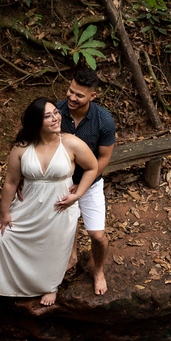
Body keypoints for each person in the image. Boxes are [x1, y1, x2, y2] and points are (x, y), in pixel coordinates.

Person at [0, 98, 99, 306]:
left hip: (60, 207)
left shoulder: (70, 143)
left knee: (52, 247)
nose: (55, 118)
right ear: (36, 122)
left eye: (56, 113)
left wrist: (78, 195)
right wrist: (4, 213)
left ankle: (49, 286)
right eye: (47, 116)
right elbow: (10, 182)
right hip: (28, 205)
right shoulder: (22, 148)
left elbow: (93, 167)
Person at [55, 66, 116, 295]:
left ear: (93, 95)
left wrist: (81, 187)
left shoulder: (104, 120)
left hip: (90, 183)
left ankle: (98, 269)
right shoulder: (56, 112)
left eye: (79, 95)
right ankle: (67, 260)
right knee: (62, 230)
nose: (72, 97)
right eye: (70, 91)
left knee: (97, 236)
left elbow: (104, 158)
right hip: (60, 180)